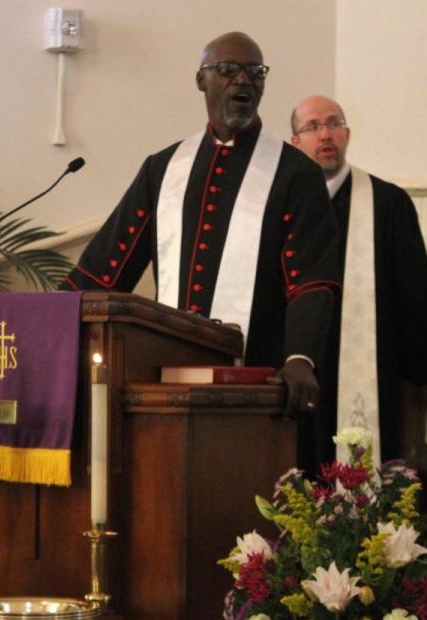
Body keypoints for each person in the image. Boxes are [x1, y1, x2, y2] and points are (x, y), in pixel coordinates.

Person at [62, 32, 338, 417]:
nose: (243, 80)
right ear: (200, 80)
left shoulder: (295, 174)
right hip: (165, 385)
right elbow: (105, 270)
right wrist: (50, 320)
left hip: (259, 386)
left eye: (254, 71)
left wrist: (300, 358)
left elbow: (311, 281)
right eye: (227, 70)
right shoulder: (164, 168)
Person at [289, 95, 427, 473]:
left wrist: (416, 378)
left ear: (347, 134)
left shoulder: (388, 205)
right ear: (295, 142)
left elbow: (416, 302)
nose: (326, 134)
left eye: (334, 123)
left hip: (373, 376)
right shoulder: (283, 207)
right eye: (312, 127)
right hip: (297, 380)